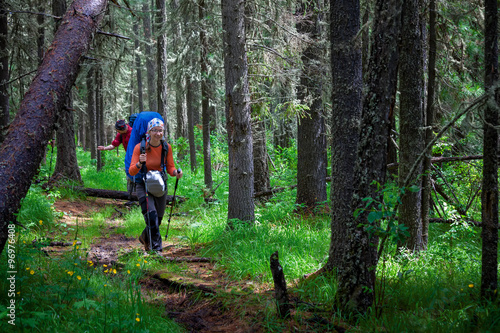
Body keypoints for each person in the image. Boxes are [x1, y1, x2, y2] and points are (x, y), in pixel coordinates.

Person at [128, 118, 182, 253]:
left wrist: (176, 173)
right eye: (155, 130)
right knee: (151, 217)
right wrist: (140, 163)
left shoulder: (166, 147)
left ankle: (144, 237)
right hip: (143, 185)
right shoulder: (140, 148)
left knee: (158, 219)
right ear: (149, 132)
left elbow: (170, 167)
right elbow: (132, 171)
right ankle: (156, 250)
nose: (158, 133)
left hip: (160, 185)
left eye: (160, 130)